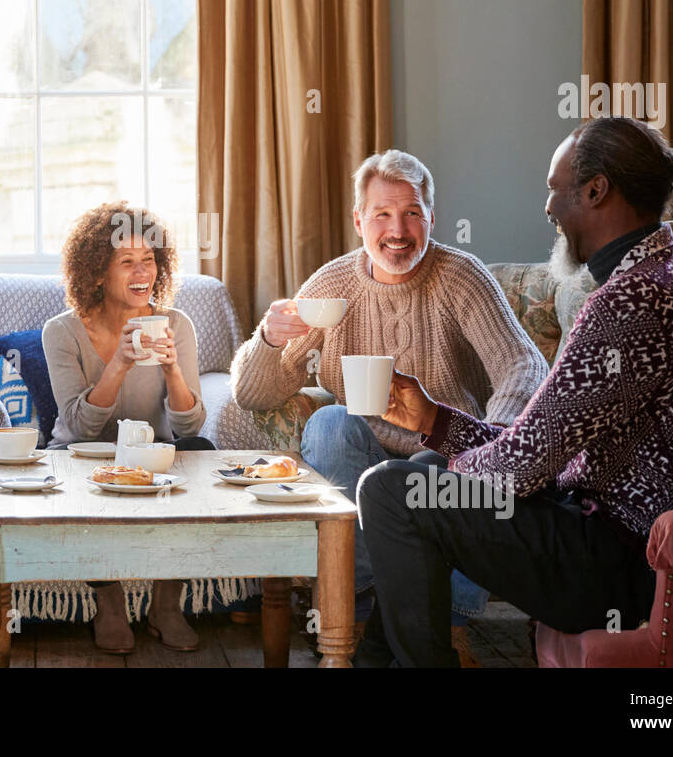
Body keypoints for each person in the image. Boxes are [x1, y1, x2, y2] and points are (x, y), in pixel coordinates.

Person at [359, 116, 673, 666]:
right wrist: (435, 423)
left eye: (553, 188)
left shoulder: (634, 303)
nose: (547, 208)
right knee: (418, 475)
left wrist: (445, 463)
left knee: (392, 491)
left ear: (595, 190)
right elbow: (540, 445)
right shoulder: (653, 279)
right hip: (608, 529)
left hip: (637, 562)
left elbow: (523, 465)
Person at [230, 150, 548, 660]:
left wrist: (492, 438)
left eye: (412, 213)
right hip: (361, 457)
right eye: (382, 214)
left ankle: (442, 622)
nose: (397, 230)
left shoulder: (460, 276)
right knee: (331, 423)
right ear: (359, 220)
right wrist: (269, 339)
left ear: (431, 218)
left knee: (464, 464)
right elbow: (252, 394)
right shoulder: (334, 287)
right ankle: (352, 611)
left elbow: (524, 365)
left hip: (439, 450)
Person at [43, 202, 214, 655]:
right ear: (97, 272)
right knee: (73, 467)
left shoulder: (176, 324)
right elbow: (78, 427)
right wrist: (118, 363)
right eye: (126, 261)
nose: (143, 272)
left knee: (201, 447)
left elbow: (190, 424)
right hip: (81, 454)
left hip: (150, 453)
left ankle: (166, 603)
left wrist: (173, 369)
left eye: (149, 259)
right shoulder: (62, 332)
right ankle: (110, 601)